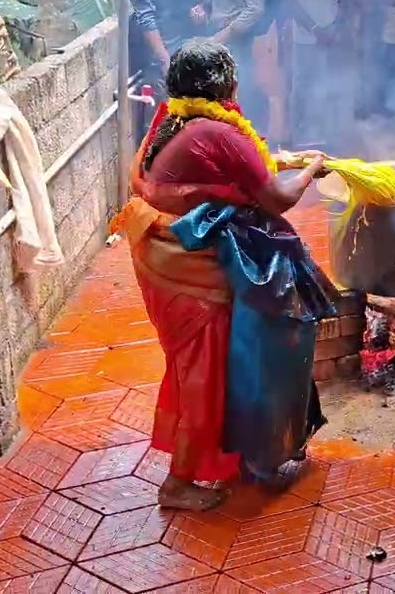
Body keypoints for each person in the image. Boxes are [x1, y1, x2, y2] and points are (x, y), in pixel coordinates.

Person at [114, 41, 335, 510]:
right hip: (190, 270)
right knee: (204, 372)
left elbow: (237, 168)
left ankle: (234, 451)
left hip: (164, 255)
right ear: (224, 85)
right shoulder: (216, 133)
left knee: (200, 366)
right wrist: (314, 167)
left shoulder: (171, 117)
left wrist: (283, 161)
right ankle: (177, 484)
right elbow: (276, 198)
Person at [278, 0, 352, 150]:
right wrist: (315, 29)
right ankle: (299, 140)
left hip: (333, 37)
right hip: (304, 38)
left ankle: (329, 139)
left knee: (331, 87)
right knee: (302, 88)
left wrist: (336, 28)